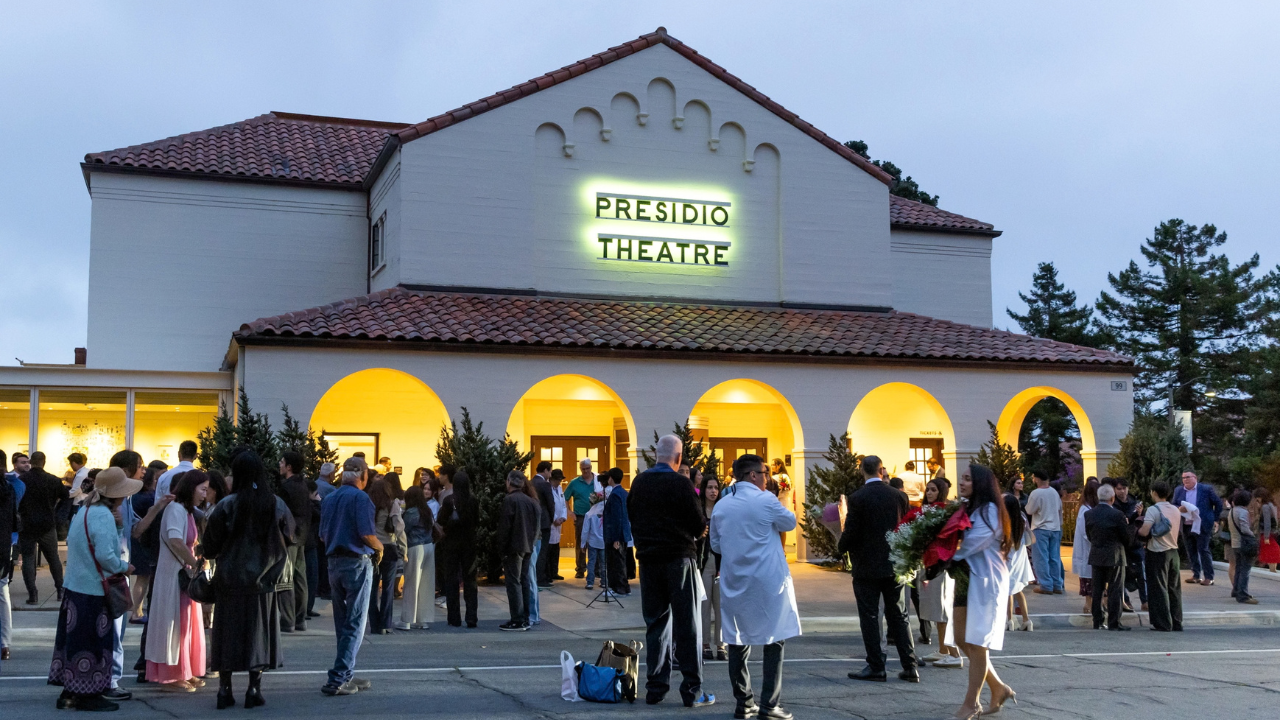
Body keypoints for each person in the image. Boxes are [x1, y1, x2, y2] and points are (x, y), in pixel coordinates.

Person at [203, 450, 296, 708]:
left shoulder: (226, 505)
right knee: (259, 634)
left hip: (230, 579)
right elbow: (290, 535)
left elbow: (210, 546)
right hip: (264, 581)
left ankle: (225, 689)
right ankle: (254, 688)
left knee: (226, 634)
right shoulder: (275, 503)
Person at [627, 434, 715, 708]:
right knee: (687, 625)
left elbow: (633, 517)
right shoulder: (681, 483)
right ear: (678, 459)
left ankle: (655, 688)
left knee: (656, 623)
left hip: (649, 560)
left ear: (656, 455)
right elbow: (698, 523)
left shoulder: (639, 482)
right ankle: (692, 690)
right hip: (679, 558)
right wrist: (699, 532)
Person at [710, 454, 800, 720]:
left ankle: (744, 702)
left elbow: (715, 545)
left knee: (737, 639)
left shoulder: (722, 505)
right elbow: (790, 522)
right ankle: (770, 704)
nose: (767, 477)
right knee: (775, 638)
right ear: (752, 475)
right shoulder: (766, 500)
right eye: (764, 472)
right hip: (767, 581)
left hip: (735, 579)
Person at [48, 467, 141, 711]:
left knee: (75, 644)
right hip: (93, 591)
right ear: (117, 494)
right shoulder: (103, 515)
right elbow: (105, 555)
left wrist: (118, 530)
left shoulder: (85, 511)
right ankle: (88, 695)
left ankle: (70, 693)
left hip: (76, 589)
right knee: (93, 645)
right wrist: (124, 566)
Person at [839, 455, 919, 683]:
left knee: (870, 615)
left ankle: (876, 665)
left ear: (862, 470)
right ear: (881, 470)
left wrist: (841, 546)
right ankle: (910, 665)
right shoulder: (899, 496)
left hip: (867, 565)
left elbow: (852, 530)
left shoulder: (858, 497)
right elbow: (906, 527)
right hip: (894, 563)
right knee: (899, 615)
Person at [950, 465, 1016, 720]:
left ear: (980, 483)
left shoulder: (990, 511)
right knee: (961, 638)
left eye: (967, 478)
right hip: (968, 579)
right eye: (962, 478)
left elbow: (971, 544)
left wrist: (938, 556)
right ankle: (999, 687)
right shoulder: (971, 509)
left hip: (986, 583)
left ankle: (971, 704)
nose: (962, 482)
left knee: (977, 643)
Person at [317, 456, 381, 696]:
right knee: (355, 622)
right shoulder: (361, 498)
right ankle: (339, 677)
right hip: (356, 562)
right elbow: (367, 534)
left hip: (333, 563)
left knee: (342, 621)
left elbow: (323, 535)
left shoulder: (330, 498)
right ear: (363, 476)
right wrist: (381, 547)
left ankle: (346, 672)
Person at [145, 469, 209, 690]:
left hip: (182, 574)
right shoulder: (176, 509)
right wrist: (194, 562)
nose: (205, 494)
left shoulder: (186, 511)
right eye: (202, 489)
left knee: (183, 624)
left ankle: (184, 670)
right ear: (191, 488)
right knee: (175, 624)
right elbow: (175, 541)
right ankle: (172, 675)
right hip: (174, 574)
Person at [916, 479, 962, 668]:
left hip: (942, 565)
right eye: (927, 489)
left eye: (933, 490)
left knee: (942, 611)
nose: (929, 492)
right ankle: (942, 649)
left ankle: (954, 653)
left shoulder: (946, 512)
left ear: (941, 492)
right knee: (934, 610)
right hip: (929, 564)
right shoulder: (926, 512)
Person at [18, 451, 70, 605]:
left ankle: (32, 593)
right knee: (53, 558)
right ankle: (60, 590)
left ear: (31, 462)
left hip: (27, 524)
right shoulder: (53, 480)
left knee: (28, 558)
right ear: (44, 462)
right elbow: (66, 497)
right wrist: (59, 516)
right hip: (48, 523)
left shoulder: (23, 479)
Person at [1084, 484, 1132, 630]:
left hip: (1097, 554)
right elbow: (1126, 538)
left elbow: (1089, 535)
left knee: (1097, 589)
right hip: (1115, 555)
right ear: (1112, 498)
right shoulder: (1117, 515)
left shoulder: (1089, 514)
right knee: (1115, 589)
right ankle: (1114, 622)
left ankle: (1097, 620)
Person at [273, 451, 311, 633]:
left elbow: (281, 514)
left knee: (286, 578)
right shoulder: (303, 485)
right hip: (302, 536)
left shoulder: (286, 487)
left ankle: (288, 621)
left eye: (281, 462)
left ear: (289, 467)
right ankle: (300, 619)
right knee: (300, 577)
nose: (279, 465)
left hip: (288, 536)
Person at [497, 471, 540, 631]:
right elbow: (537, 527)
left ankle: (517, 618)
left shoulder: (510, 500)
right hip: (528, 546)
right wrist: (533, 543)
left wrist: (501, 548)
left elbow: (504, 527)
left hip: (514, 547)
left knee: (513, 582)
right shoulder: (532, 501)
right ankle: (525, 617)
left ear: (509, 482)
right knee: (524, 581)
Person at [1138, 481, 1183, 631]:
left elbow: (1144, 532)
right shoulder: (1176, 510)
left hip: (1157, 552)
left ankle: (1163, 623)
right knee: (1174, 588)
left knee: (1159, 588)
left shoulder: (1153, 509)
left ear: (1154, 493)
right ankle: (1176, 621)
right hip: (1173, 552)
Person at [437, 469, 478, 628]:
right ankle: (471, 618)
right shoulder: (473, 500)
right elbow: (477, 521)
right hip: (469, 543)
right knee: (470, 581)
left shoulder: (449, 500)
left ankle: (454, 618)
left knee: (451, 580)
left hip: (451, 544)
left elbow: (441, 521)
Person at [366, 478, 405, 634]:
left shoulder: (368, 505)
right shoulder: (392, 504)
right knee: (388, 588)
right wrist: (404, 550)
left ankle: (374, 623)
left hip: (372, 548)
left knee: (372, 587)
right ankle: (385, 623)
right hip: (389, 547)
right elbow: (399, 528)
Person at [1171, 470, 1223, 587]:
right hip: (1186, 525)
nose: (1185, 480)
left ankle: (1209, 577)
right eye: (1183, 478)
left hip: (1202, 524)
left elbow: (1218, 503)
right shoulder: (1179, 490)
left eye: (1188, 477)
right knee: (1191, 550)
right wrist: (1179, 508)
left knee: (1203, 550)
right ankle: (1196, 575)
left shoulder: (1206, 489)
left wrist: (1215, 519)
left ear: (1195, 478)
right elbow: (1173, 504)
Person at [399, 485, 436, 630]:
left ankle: (407, 620)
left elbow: (403, 530)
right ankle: (422, 619)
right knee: (425, 584)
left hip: (415, 547)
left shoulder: (411, 512)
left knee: (411, 583)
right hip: (428, 546)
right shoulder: (426, 510)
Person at [696, 473, 724, 661]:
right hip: (704, 562)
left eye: (716, 488)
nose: (713, 491)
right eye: (709, 488)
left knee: (721, 606)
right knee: (704, 606)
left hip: (723, 563)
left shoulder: (723, 510)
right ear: (704, 489)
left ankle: (721, 644)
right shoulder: (698, 511)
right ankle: (705, 643)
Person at [127, 464, 160, 623]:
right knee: (143, 577)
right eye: (154, 479)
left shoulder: (132, 496)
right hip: (145, 541)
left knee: (141, 577)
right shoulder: (150, 498)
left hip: (135, 540)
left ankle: (137, 611)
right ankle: (137, 611)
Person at [1024, 470, 1063, 595]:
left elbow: (1030, 510)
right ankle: (1057, 584)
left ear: (1036, 479)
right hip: (1055, 528)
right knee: (1054, 557)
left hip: (1041, 528)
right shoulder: (1054, 492)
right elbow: (1059, 509)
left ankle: (1046, 584)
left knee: (1041, 558)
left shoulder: (1036, 493)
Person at [1003, 494, 1035, 632]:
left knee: (1008, 590)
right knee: (1018, 590)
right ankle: (1026, 620)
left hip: (1008, 555)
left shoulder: (1005, 520)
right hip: (1020, 555)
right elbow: (1030, 537)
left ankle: (1009, 620)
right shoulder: (1021, 518)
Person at [564, 459, 598, 579]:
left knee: (596, 541)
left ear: (591, 467)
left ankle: (596, 568)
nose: (586, 471)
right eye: (583, 469)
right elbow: (565, 498)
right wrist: (569, 511)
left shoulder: (597, 481)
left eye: (587, 468)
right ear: (580, 469)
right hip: (581, 516)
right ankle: (580, 568)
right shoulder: (574, 482)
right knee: (580, 542)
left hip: (596, 516)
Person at [1071, 478, 1100, 613]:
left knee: (1093, 577)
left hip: (1092, 549)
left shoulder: (1090, 508)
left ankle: (1093, 603)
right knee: (1088, 577)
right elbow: (1085, 532)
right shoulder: (1085, 510)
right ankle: (1088, 603)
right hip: (1088, 549)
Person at [1227, 488, 1260, 604]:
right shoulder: (1242, 512)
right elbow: (1245, 529)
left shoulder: (1232, 511)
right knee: (1245, 570)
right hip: (1244, 543)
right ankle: (1243, 595)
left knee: (1239, 568)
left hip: (1235, 543)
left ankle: (1236, 590)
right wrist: (1253, 536)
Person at [602, 467, 632, 596]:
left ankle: (618, 588)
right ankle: (624, 587)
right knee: (621, 561)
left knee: (615, 563)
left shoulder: (614, 494)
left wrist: (615, 538)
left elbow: (616, 517)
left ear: (611, 478)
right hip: (623, 532)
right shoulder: (624, 492)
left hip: (616, 534)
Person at [0, 451, 18, 663]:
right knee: (3, 593)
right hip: (4, 546)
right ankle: (4, 643)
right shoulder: (10, 488)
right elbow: (14, 521)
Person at [531, 462, 556, 588]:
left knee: (534, 550)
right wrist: (552, 518)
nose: (550, 474)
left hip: (532, 521)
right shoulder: (545, 485)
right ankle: (541, 578)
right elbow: (551, 504)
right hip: (544, 521)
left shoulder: (530, 482)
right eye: (550, 471)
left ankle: (534, 576)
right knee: (543, 550)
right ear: (545, 470)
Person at [582, 493, 606, 590]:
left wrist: (582, 544)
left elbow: (585, 530)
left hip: (592, 542)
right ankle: (604, 582)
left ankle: (590, 582)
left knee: (591, 562)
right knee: (604, 563)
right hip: (604, 542)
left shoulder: (589, 514)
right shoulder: (606, 513)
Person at [549, 469, 568, 580]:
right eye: (557, 480)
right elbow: (550, 506)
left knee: (556, 549)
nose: (559, 482)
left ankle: (555, 571)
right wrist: (555, 519)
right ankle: (548, 573)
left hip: (559, 522)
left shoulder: (560, 489)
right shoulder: (548, 489)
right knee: (549, 549)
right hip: (552, 523)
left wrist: (563, 517)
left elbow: (563, 504)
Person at [1256, 488, 1279, 572]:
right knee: (1272, 551)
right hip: (1273, 531)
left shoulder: (1265, 507)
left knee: (1270, 551)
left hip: (1266, 533)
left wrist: (1266, 536)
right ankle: (1273, 570)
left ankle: (1272, 570)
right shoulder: (1272, 505)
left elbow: (1267, 522)